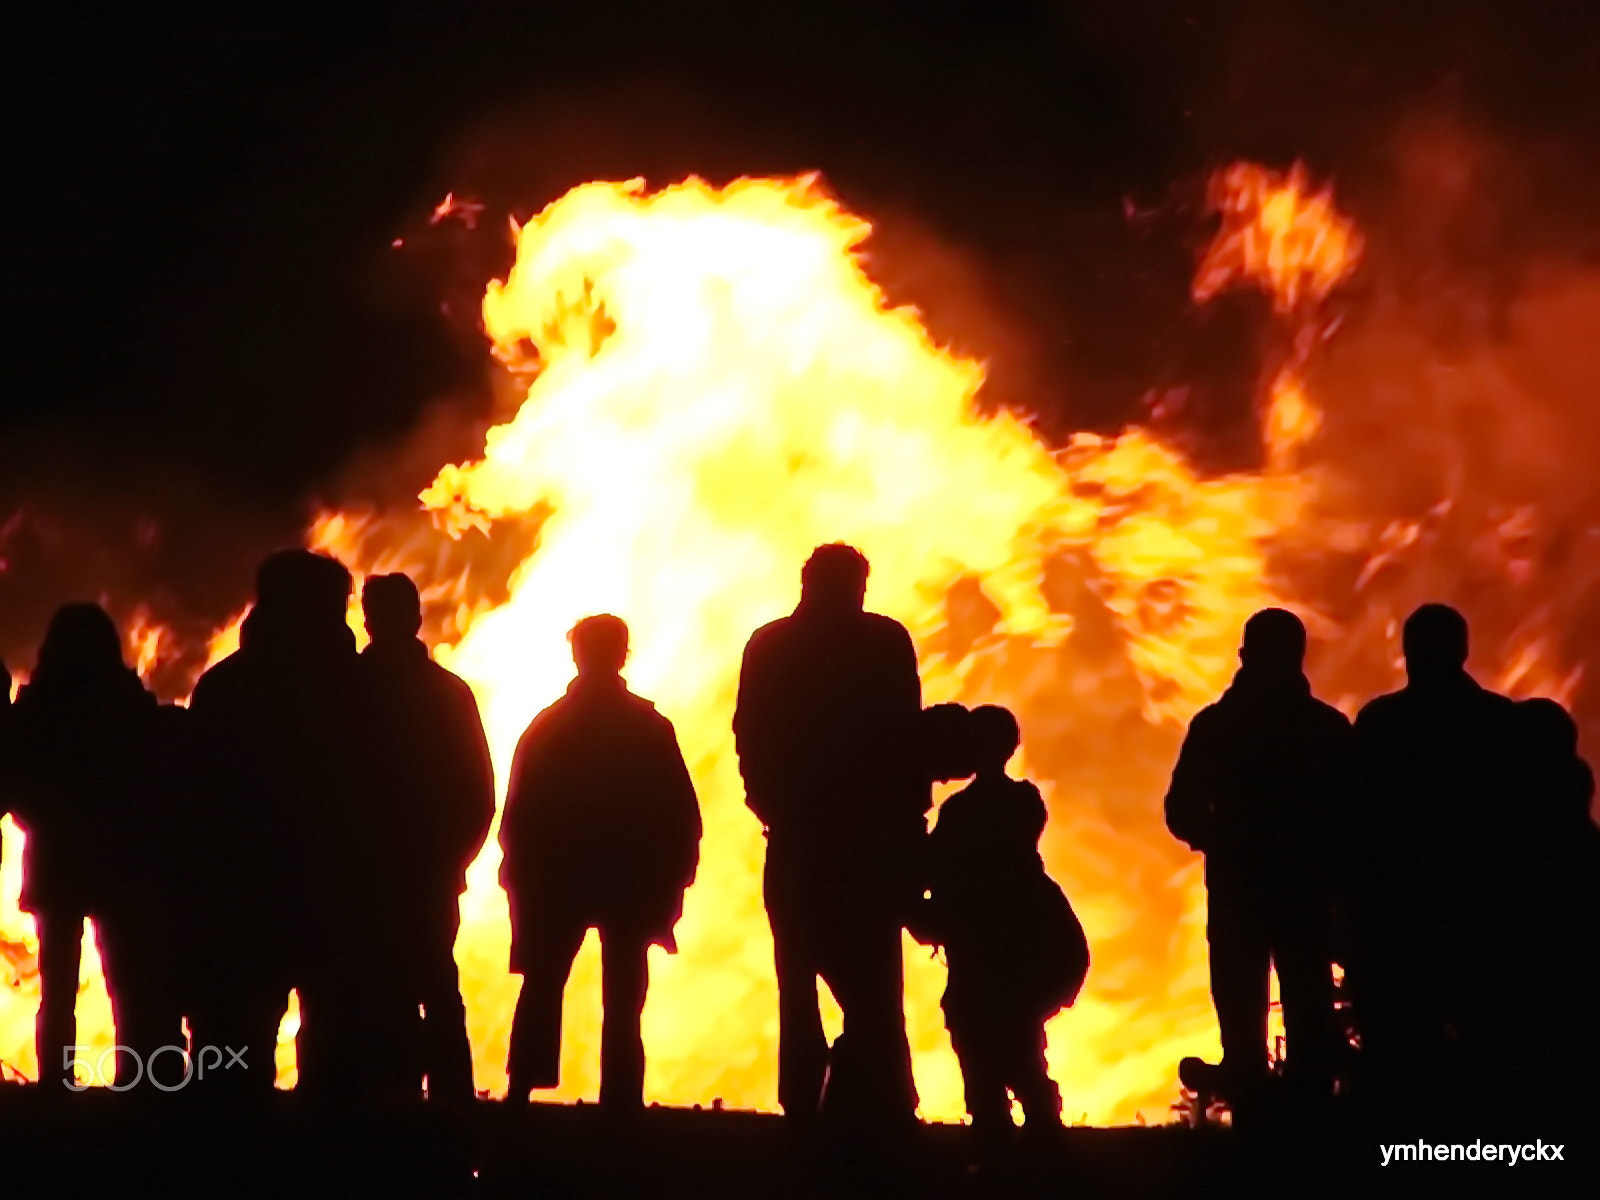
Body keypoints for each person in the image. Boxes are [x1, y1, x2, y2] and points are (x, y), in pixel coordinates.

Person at [189, 549, 417, 1099]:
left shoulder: (225, 688)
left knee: (232, 1059)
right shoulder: (368, 693)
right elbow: (396, 795)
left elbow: (195, 800)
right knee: (340, 1065)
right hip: (339, 903)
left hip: (242, 902)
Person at [734, 544, 926, 1126]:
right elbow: (906, 736)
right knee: (874, 978)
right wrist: (909, 825)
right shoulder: (885, 643)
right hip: (869, 838)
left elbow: (750, 734)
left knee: (798, 975)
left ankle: (805, 1101)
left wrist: (769, 802)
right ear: (857, 585)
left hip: (799, 836)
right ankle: (883, 1100)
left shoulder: (770, 646)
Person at [501, 614, 700, 1110]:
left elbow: (519, 814)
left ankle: (522, 1092)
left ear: (577, 655)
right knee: (624, 998)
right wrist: (675, 876)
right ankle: (621, 1100)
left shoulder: (547, 727)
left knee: (543, 984)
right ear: (622, 655)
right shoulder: (649, 728)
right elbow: (680, 814)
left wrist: (521, 877)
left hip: (557, 880)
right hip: (628, 881)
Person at [1164, 608, 1349, 1111]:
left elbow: (1179, 811)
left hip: (1240, 891)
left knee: (1243, 1012)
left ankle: (1253, 1123)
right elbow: (1355, 814)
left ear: (1244, 655)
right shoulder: (1325, 729)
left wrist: (1224, 839)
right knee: (1308, 1006)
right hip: (1304, 892)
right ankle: (1309, 1125)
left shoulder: (1217, 726)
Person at [1346, 603, 1520, 1119]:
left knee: (1400, 1054)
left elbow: (1351, 820)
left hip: (1397, 916)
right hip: (1479, 912)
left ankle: (1400, 1158)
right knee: (1482, 1045)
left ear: (1407, 654)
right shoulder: (1498, 723)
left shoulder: (1380, 725)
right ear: (1464, 651)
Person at [9, 603, 164, 1090]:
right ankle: (138, 1082)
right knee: (126, 981)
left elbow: (16, 783)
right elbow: (151, 776)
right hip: (120, 857)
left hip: (58, 859)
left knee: (56, 986)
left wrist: (46, 819)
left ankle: (56, 1083)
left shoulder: (37, 707)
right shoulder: (128, 701)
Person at [919, 704, 1087, 1152]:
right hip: (1023, 930)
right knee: (1016, 1035)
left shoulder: (963, 811)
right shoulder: (1024, 801)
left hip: (986, 936)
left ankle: (999, 1129)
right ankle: (1034, 1132)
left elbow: (937, 867)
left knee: (980, 1033)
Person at [360, 573, 495, 1103]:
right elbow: (477, 795)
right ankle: (448, 1115)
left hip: (355, 878)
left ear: (366, 619)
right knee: (437, 989)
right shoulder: (447, 694)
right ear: (416, 619)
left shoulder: (343, 690)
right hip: (427, 877)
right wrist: (449, 862)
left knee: (360, 995)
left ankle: (369, 1112)